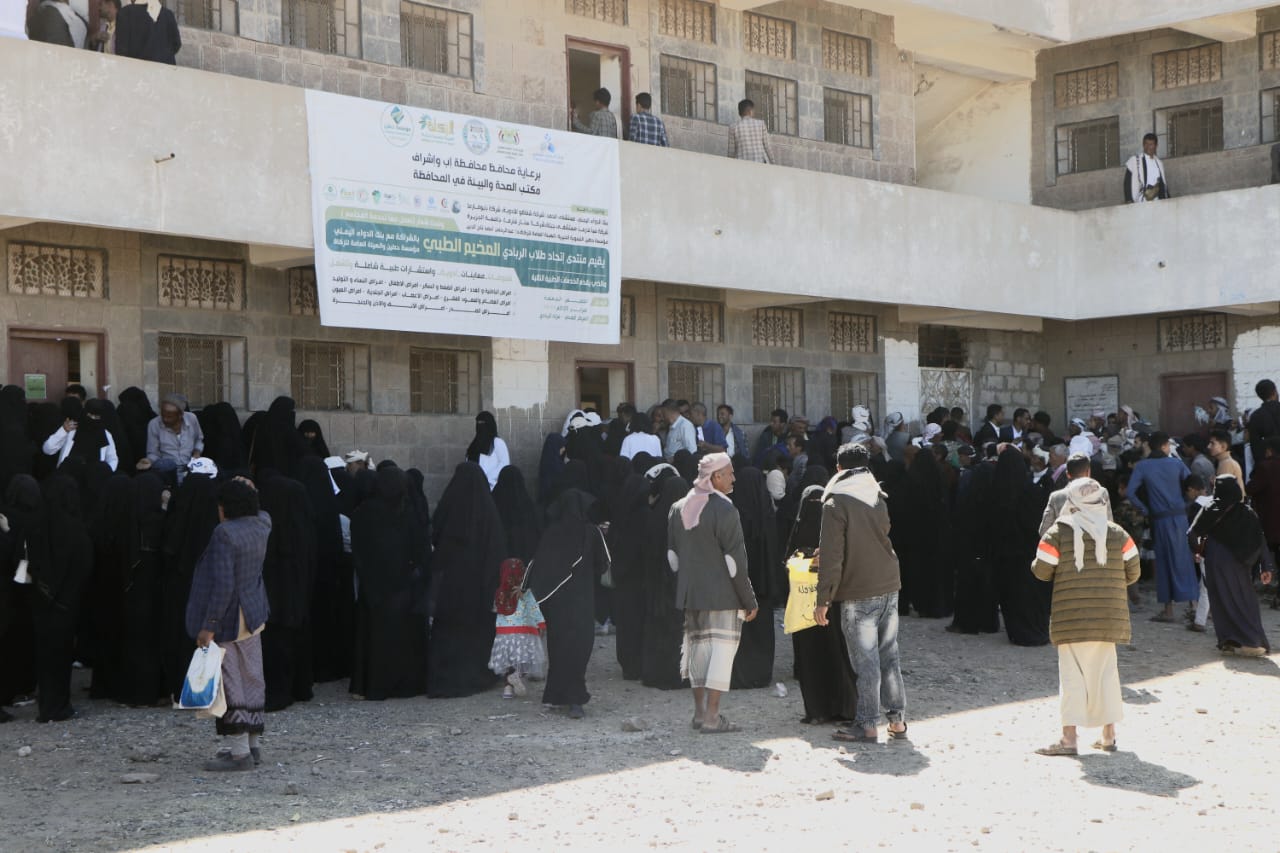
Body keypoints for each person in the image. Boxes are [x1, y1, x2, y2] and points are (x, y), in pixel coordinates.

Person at [1031, 478, 1141, 756]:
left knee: (1072, 678)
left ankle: (1069, 739)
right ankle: (1108, 735)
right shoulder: (1118, 534)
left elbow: (1042, 571)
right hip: (1109, 618)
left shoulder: (1058, 533)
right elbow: (1134, 572)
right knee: (1106, 675)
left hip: (1072, 619)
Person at [815, 443, 908, 744]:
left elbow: (832, 556)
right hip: (888, 583)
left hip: (859, 590)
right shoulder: (876, 495)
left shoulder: (835, 502)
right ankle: (897, 722)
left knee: (865, 661)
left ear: (839, 468)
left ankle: (867, 724)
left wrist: (822, 600)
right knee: (888, 656)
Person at [184, 479, 270, 771]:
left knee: (231, 682)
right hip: (253, 612)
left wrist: (209, 625)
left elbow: (222, 585)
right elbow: (261, 511)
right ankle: (253, 746)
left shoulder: (224, 534)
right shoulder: (262, 525)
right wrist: (251, 491)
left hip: (229, 617)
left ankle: (239, 753)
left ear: (225, 508)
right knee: (252, 677)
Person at [668, 454, 758, 733]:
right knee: (720, 655)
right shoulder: (726, 510)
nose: (734, 478)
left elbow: (673, 558)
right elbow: (736, 563)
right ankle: (712, 717)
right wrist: (749, 599)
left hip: (690, 595)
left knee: (697, 653)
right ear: (716, 477)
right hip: (722, 596)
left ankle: (698, 714)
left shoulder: (678, 507)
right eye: (729, 473)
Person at [527, 486, 608, 719]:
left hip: (556, 603)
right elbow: (603, 565)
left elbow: (539, 567)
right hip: (582, 600)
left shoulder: (552, 532)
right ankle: (575, 698)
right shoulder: (591, 532)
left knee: (559, 647)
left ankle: (556, 694)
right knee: (579, 647)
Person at [349, 466, 430, 699]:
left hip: (372, 585)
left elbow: (359, 551)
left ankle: (371, 685)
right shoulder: (407, 511)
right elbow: (421, 549)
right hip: (403, 586)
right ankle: (405, 684)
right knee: (402, 637)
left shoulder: (363, 512)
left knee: (372, 637)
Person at [786, 474, 859, 724]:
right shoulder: (836, 526)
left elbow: (787, 561)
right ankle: (844, 709)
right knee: (838, 653)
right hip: (834, 604)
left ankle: (817, 711)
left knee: (811, 657)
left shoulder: (799, 526)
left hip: (806, 607)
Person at [428, 462, 505, 697]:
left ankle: (443, 677)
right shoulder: (489, 513)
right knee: (475, 633)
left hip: (451, 587)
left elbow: (436, 538)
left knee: (449, 633)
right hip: (477, 589)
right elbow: (497, 552)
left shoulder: (449, 509)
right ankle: (476, 675)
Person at [1190, 475, 1274, 656]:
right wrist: (1265, 567)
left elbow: (1192, 533)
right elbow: (1260, 540)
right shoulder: (1247, 512)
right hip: (1241, 564)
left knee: (1221, 601)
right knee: (1245, 600)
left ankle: (1230, 640)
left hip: (1215, 561)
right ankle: (1252, 640)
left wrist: (1198, 551)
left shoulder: (1211, 508)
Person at [258, 471, 316, 711]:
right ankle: (299, 687)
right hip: (296, 589)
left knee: (274, 641)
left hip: (271, 592)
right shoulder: (302, 523)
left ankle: (277, 692)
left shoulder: (263, 527)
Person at [1128, 432, 1197, 623]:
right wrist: (1185, 502)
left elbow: (1131, 492)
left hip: (1159, 519)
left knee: (1164, 562)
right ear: (1166, 446)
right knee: (1184, 559)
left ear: (1150, 446)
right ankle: (1194, 606)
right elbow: (1192, 483)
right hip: (1180, 517)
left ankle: (1168, 610)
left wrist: (1144, 508)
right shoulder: (1176, 464)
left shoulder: (1142, 466)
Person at [728, 466, 781, 689]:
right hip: (764, 585)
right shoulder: (768, 516)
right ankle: (761, 672)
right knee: (762, 630)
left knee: (742, 630)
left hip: (740, 587)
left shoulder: (734, 515)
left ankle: (740, 673)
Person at [1040, 453, 1113, 536]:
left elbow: (1044, 531)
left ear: (1067, 474)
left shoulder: (1056, 497)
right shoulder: (1102, 493)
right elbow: (1109, 525)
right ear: (1088, 472)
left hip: (1065, 547)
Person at [42, 397, 119, 472]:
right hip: (68, 476)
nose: (93, 419)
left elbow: (112, 459)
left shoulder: (105, 434)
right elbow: (48, 449)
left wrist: (103, 473)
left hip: (92, 480)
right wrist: (63, 431)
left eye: (96, 416)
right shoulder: (70, 429)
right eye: (90, 415)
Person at [142, 393, 204, 477]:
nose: (165, 419)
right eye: (163, 415)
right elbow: (153, 452)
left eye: (169, 416)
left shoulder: (192, 419)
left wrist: (197, 452)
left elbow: (199, 439)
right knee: (166, 465)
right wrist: (149, 460)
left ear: (180, 415)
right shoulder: (154, 424)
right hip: (167, 471)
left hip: (190, 468)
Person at [113, 0, 181, 64]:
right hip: (165, 72)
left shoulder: (125, 13)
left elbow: (121, 51)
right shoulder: (168, 14)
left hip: (136, 71)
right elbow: (177, 44)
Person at [466, 411, 510, 489]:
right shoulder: (474, 444)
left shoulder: (497, 442)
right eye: (478, 423)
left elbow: (504, 463)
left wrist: (487, 478)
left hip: (492, 488)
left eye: (482, 423)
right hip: (474, 487)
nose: (479, 426)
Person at [1124, 132, 1169, 203]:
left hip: (1157, 201)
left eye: (1151, 144)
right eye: (1146, 144)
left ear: (1156, 146)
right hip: (1140, 201)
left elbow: (1162, 184)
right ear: (1143, 145)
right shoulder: (1135, 160)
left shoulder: (1159, 163)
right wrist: (1128, 200)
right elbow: (1127, 181)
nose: (1148, 147)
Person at [728, 98, 772, 164]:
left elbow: (731, 151)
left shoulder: (733, 127)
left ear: (739, 113)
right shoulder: (761, 124)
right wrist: (773, 162)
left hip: (742, 164)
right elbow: (767, 146)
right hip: (760, 162)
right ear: (750, 111)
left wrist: (729, 165)